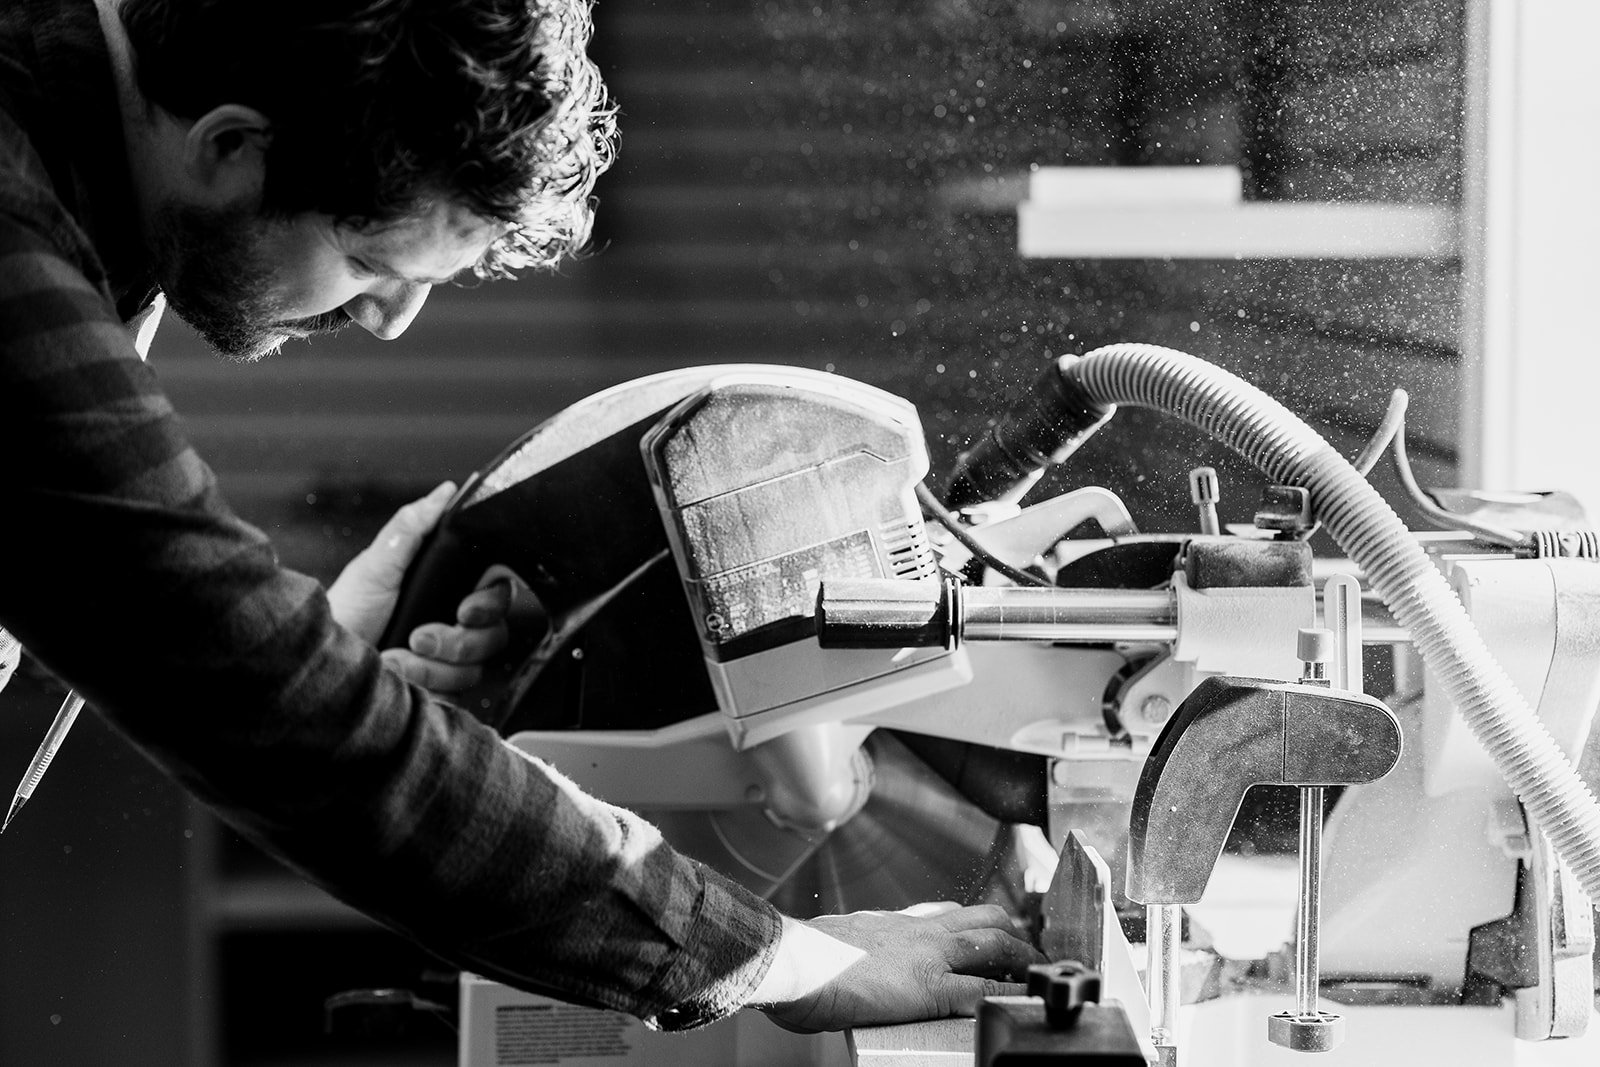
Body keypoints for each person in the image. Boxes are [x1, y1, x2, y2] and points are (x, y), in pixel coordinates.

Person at [0, 0, 1042, 1035]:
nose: (388, 322)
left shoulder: (90, 179)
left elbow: (72, 580)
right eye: (369, 263)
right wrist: (789, 959)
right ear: (231, 146)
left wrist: (310, 641)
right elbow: (282, 720)